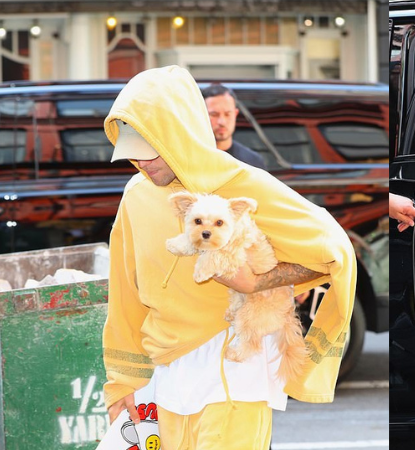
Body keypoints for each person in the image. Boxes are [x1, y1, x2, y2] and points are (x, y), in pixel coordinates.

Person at [102, 66, 356, 449]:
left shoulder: (241, 182)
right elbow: (125, 290)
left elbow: (334, 253)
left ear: (177, 133)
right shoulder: (135, 196)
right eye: (130, 153)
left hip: (238, 361)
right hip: (168, 371)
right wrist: (122, 383)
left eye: (147, 149)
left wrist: (256, 282)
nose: (139, 162)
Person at [201, 83, 267, 169]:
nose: (222, 122)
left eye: (227, 114)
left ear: (235, 114)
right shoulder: (188, 161)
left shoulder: (252, 163)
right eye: (214, 114)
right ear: (202, 114)